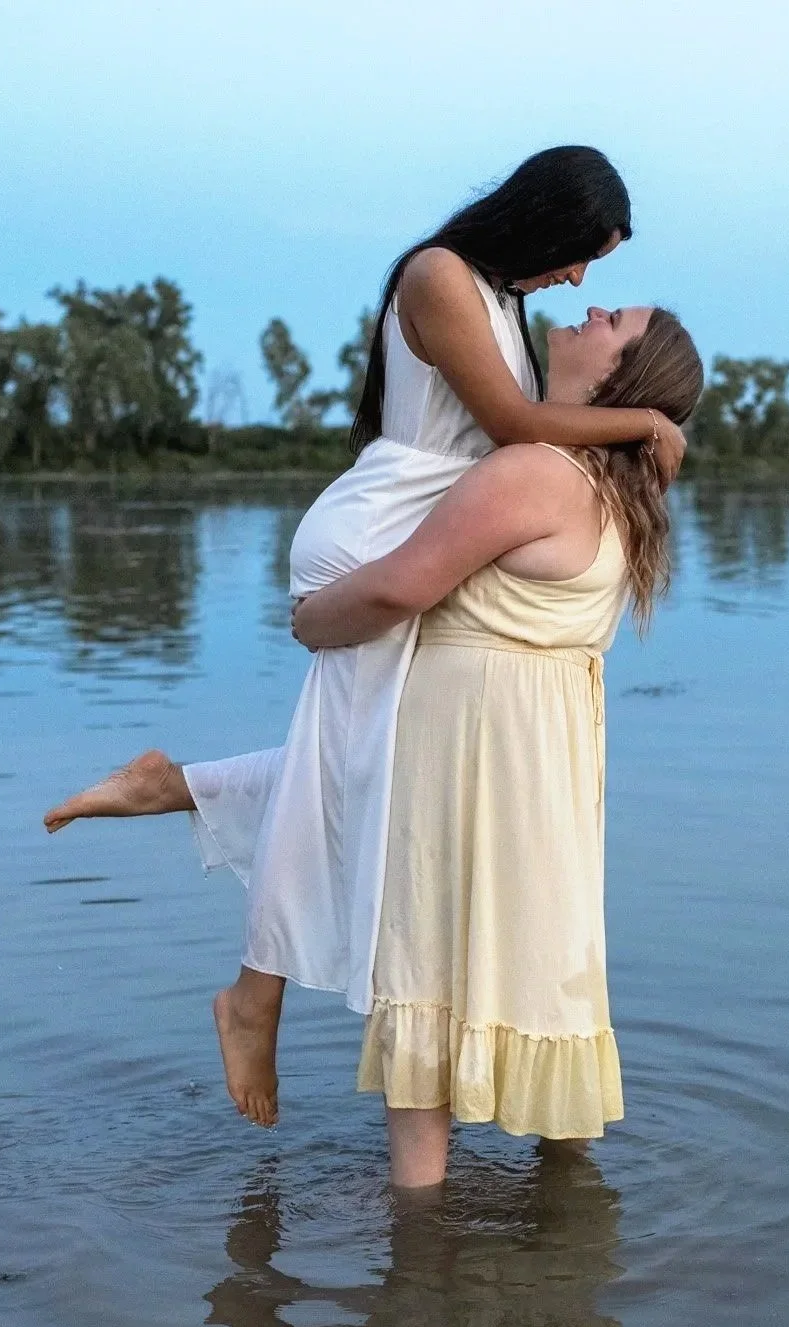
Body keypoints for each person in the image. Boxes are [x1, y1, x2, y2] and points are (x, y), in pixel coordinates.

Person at [42, 146, 687, 1128]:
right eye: (579, 256)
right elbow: (517, 423)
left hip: (420, 523)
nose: (579, 282)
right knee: (363, 773)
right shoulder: (439, 276)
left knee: (367, 769)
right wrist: (645, 417)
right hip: (379, 533)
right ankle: (251, 994)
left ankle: (181, 801)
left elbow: (525, 437)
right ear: (545, 218)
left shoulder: (502, 301)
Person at [294, 303, 702, 1186]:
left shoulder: (533, 471)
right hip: (542, 749)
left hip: (475, 745)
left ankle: (419, 1238)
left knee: (434, 956)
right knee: (545, 957)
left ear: (618, 375)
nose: (592, 306)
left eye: (616, 319)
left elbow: (402, 583)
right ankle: (568, 1212)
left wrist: (308, 618)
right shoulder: (613, 489)